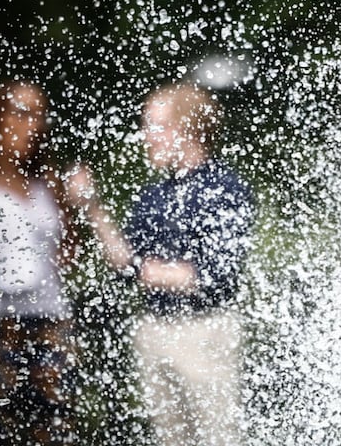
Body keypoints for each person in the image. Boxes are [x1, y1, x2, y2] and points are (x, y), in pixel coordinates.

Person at [67, 82, 254, 446]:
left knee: (218, 439)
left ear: (189, 129)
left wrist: (151, 271)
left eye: (156, 125)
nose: (145, 137)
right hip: (155, 331)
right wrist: (91, 207)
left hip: (205, 333)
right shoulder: (153, 195)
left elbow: (213, 274)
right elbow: (125, 264)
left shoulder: (226, 188)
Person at [0, 80, 78, 445]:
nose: (32, 123)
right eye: (21, 112)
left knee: (52, 426)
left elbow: (65, 255)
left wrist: (80, 204)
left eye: (38, 114)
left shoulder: (44, 180)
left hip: (49, 320)